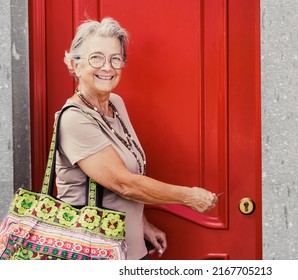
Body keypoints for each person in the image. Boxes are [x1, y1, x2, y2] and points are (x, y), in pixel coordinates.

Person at [58, 17, 218, 260]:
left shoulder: (116, 104)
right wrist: (189, 197)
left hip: (132, 251)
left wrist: (142, 223)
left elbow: (126, 176)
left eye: (115, 58)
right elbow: (124, 184)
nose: (107, 67)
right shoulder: (74, 119)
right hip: (94, 257)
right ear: (75, 64)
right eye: (96, 57)